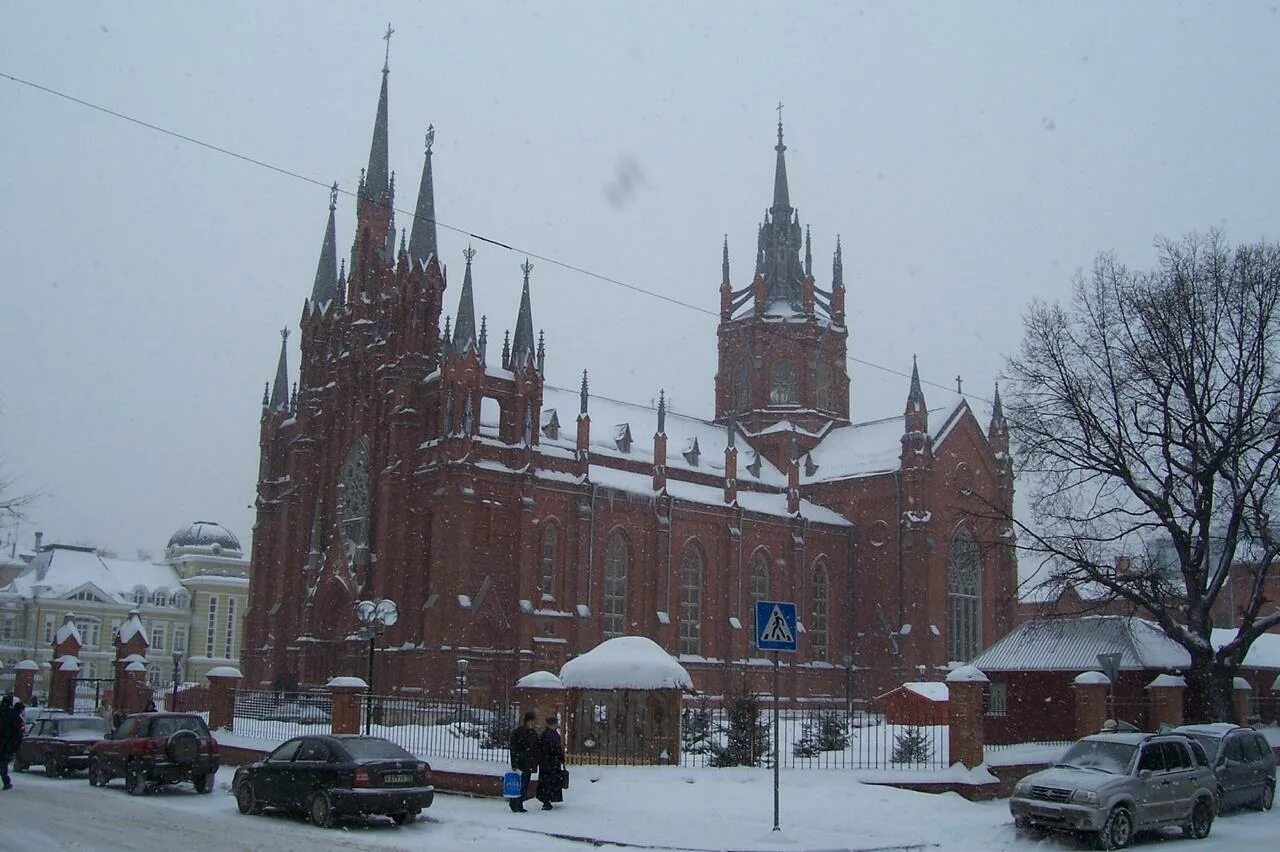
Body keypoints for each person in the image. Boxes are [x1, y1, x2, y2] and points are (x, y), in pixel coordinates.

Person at [508, 711, 541, 813]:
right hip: (521, 762)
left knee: (525, 784)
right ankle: (515, 803)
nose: (532, 724)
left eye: (533, 722)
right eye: (530, 722)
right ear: (526, 722)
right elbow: (513, 748)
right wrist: (514, 763)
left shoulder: (533, 733)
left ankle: (519, 802)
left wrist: (536, 760)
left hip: (529, 762)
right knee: (519, 784)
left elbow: (536, 747)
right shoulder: (518, 732)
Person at [536, 714, 565, 811]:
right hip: (549, 763)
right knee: (548, 782)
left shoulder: (550, 734)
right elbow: (550, 749)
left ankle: (548, 799)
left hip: (550, 762)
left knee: (549, 782)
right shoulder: (549, 735)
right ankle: (547, 800)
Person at [0, 695, 25, 790]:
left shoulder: (6, 713)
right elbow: (19, 731)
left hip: (5, 742)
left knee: (2, 763)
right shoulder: (13, 715)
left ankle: (5, 782)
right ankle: (5, 782)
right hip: (7, 744)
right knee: (3, 764)